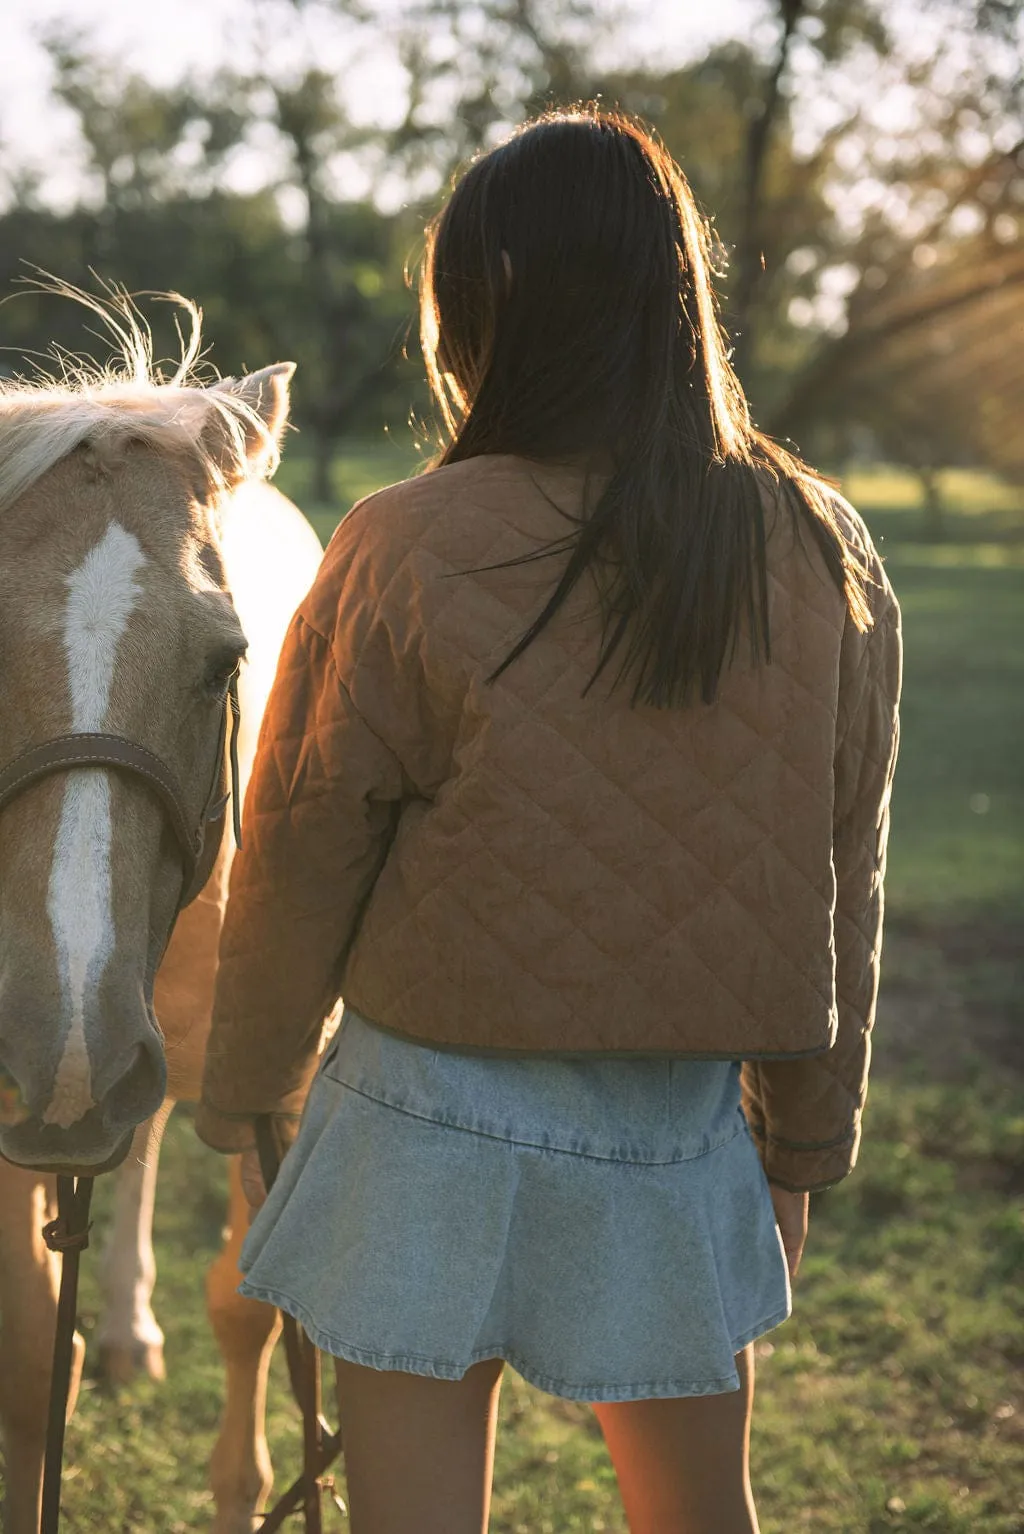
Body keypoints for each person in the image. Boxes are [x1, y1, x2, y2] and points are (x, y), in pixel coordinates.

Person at [196, 108, 901, 1534]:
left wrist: (247, 1090)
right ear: (675, 299)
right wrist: (802, 1147)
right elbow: (845, 865)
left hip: (420, 1120)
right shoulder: (814, 544)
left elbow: (301, 841)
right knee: (699, 1516)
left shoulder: (403, 538)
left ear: (482, 309)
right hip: (673, 1127)